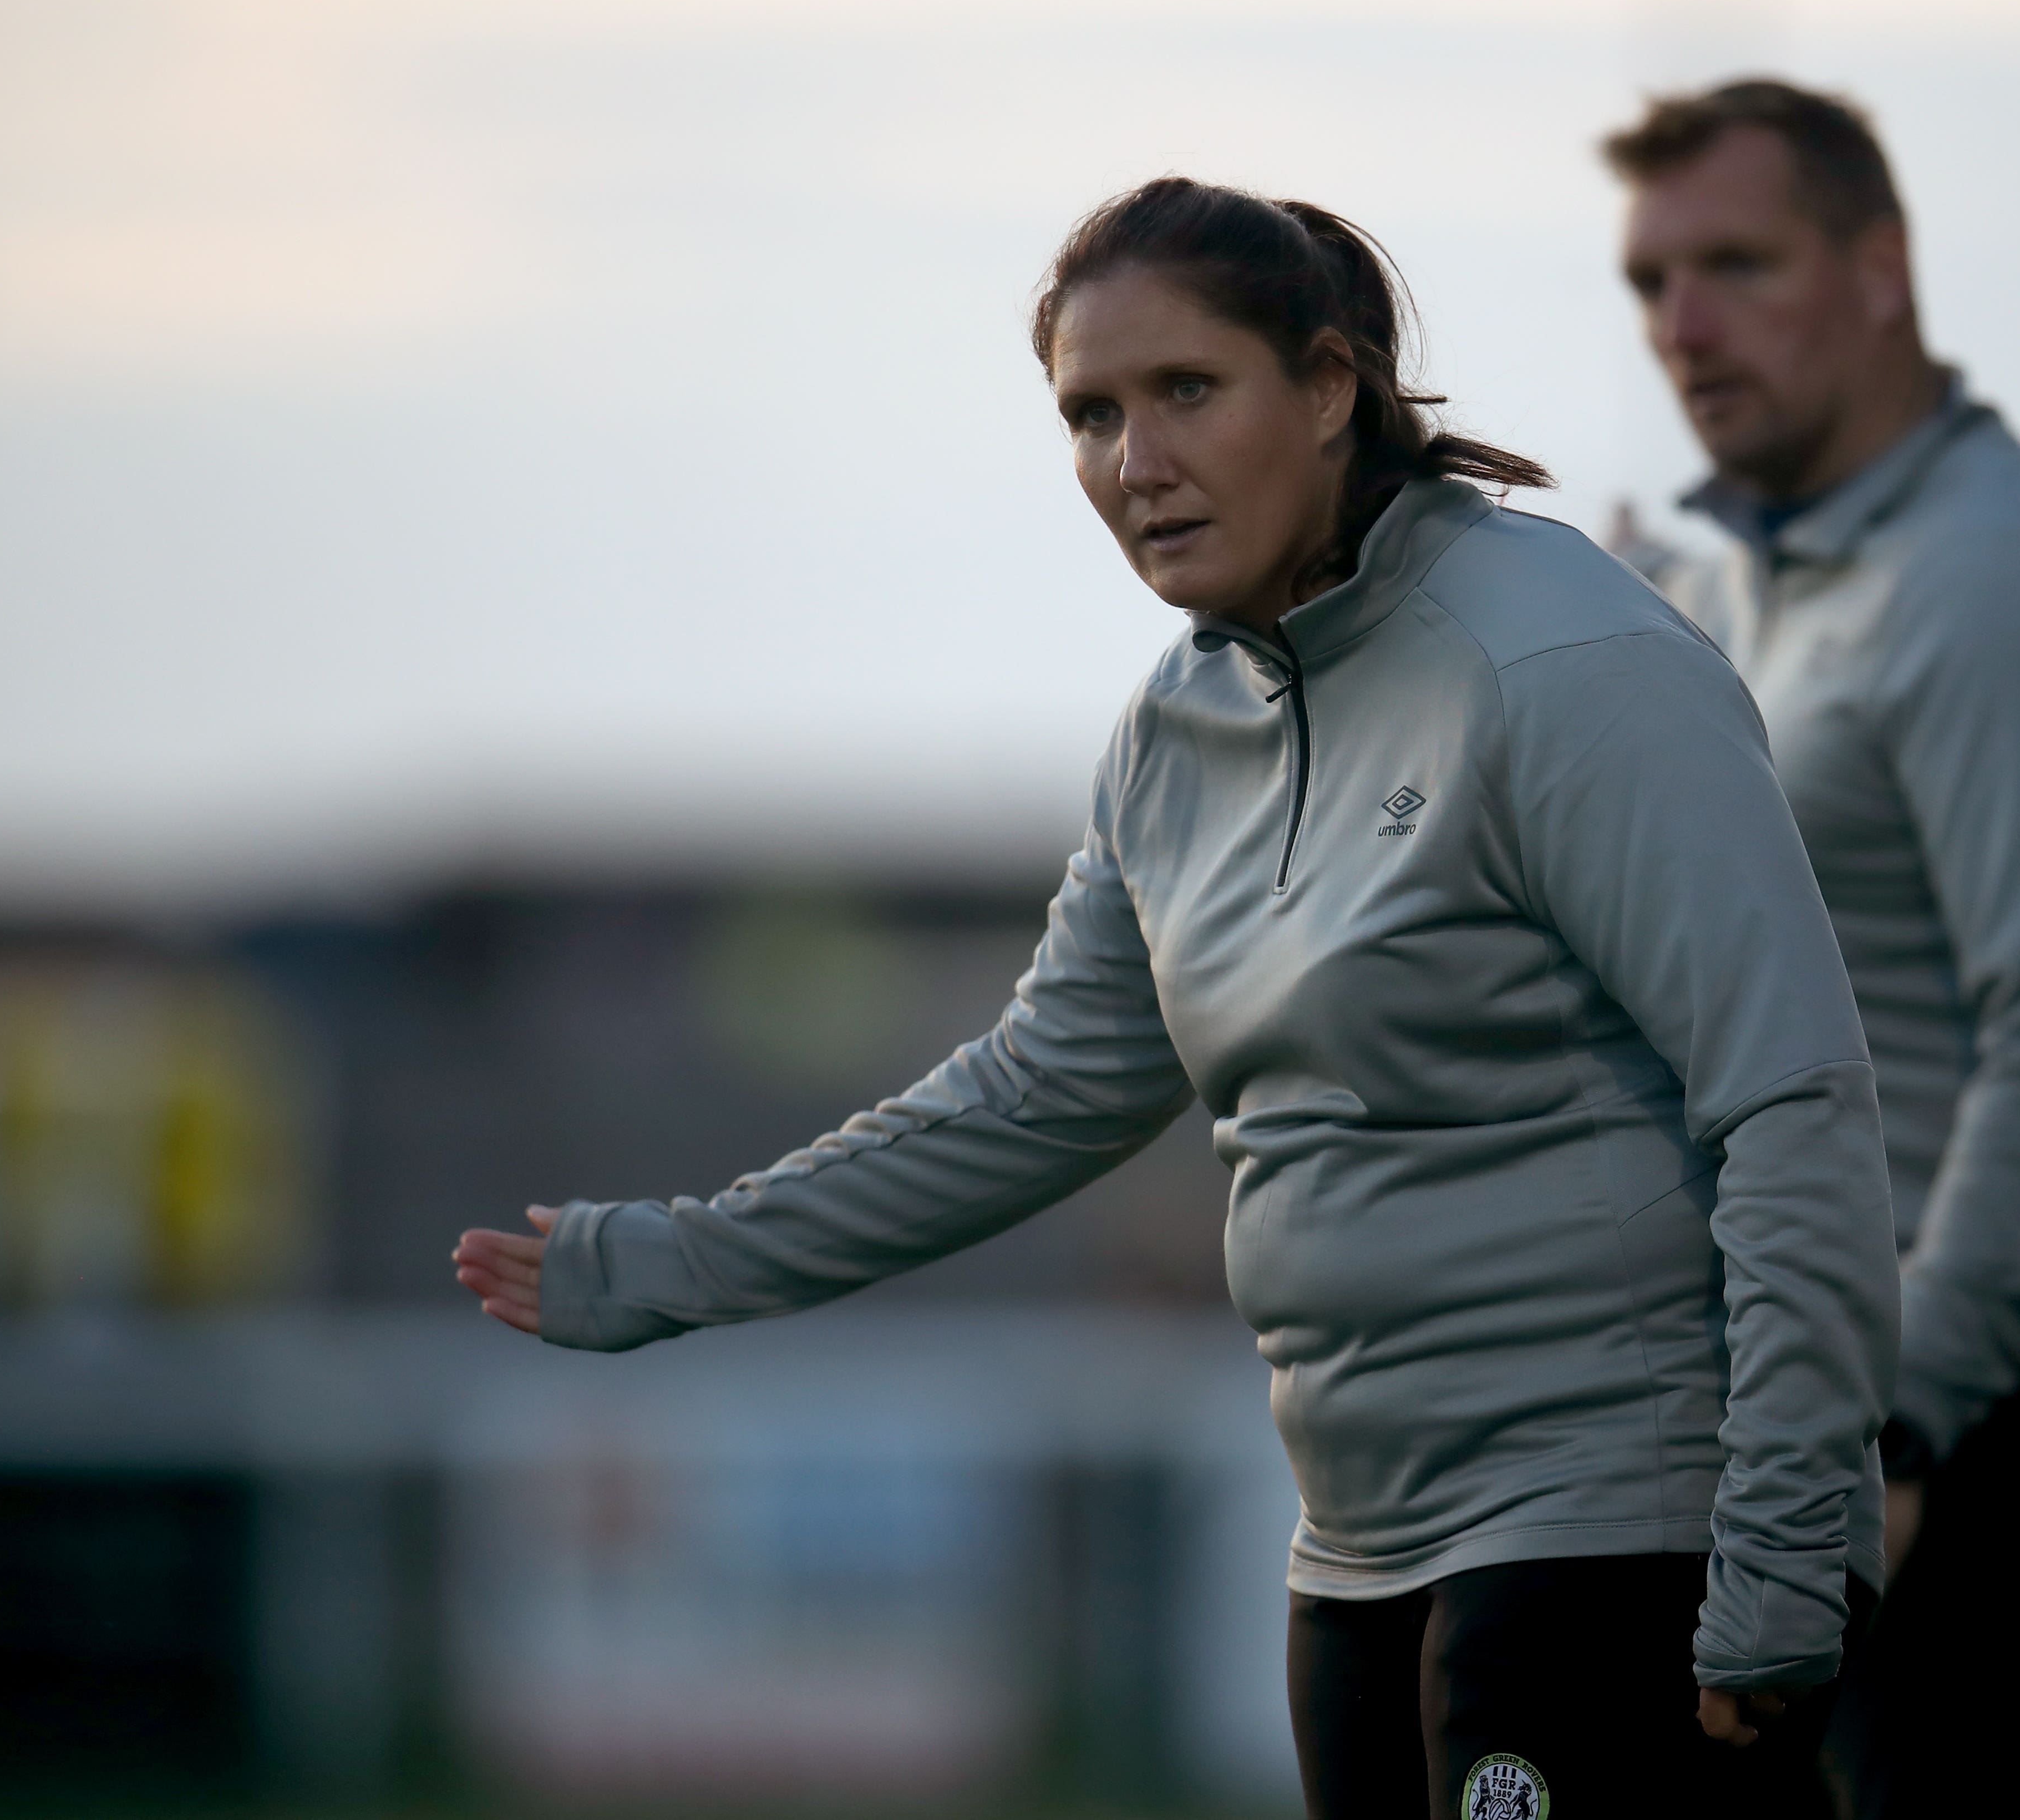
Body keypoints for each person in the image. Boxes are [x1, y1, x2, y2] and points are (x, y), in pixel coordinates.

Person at [456, 176, 1901, 1820]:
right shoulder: (1175, 727)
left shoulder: (1565, 664)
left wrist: (1786, 1553)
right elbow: (1034, 1091)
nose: (1132, 463)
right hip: (1353, 1562)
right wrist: (677, 1261)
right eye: (1088, 414)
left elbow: (1793, 1100)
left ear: (1333, 386)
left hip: (1620, 1538)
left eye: (1186, 393)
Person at [1600, 82, 2020, 1817]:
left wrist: (1896, 1426)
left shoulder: (1995, 574)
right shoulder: (1757, 585)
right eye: (1651, 281)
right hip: (1846, 1427)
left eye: (1736, 263)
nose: (1684, 324)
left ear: (1880, 269)